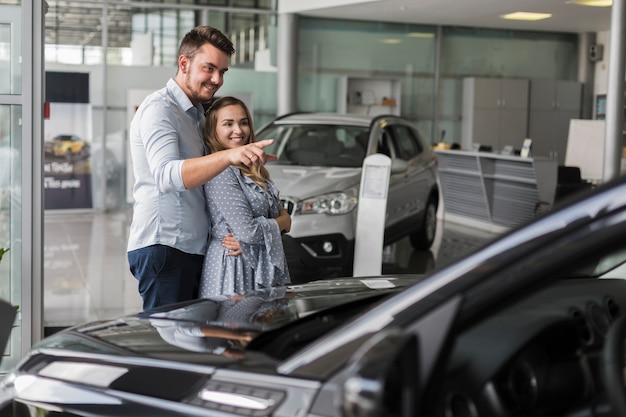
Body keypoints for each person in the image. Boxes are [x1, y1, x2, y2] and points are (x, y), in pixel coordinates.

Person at [127, 26, 275, 310]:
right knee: (169, 344)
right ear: (184, 63)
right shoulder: (160, 109)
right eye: (209, 68)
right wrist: (230, 157)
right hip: (166, 248)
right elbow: (167, 175)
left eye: (222, 71)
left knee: (190, 347)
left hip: (193, 249)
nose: (217, 79)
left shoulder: (196, 114)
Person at [199, 96, 291, 298]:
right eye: (228, 124)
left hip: (253, 260)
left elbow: (274, 220)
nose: (238, 130)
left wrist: (280, 222)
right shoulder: (221, 172)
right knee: (236, 327)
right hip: (233, 267)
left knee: (260, 326)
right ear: (213, 130)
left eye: (243, 122)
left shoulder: (251, 167)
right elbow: (249, 232)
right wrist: (282, 222)